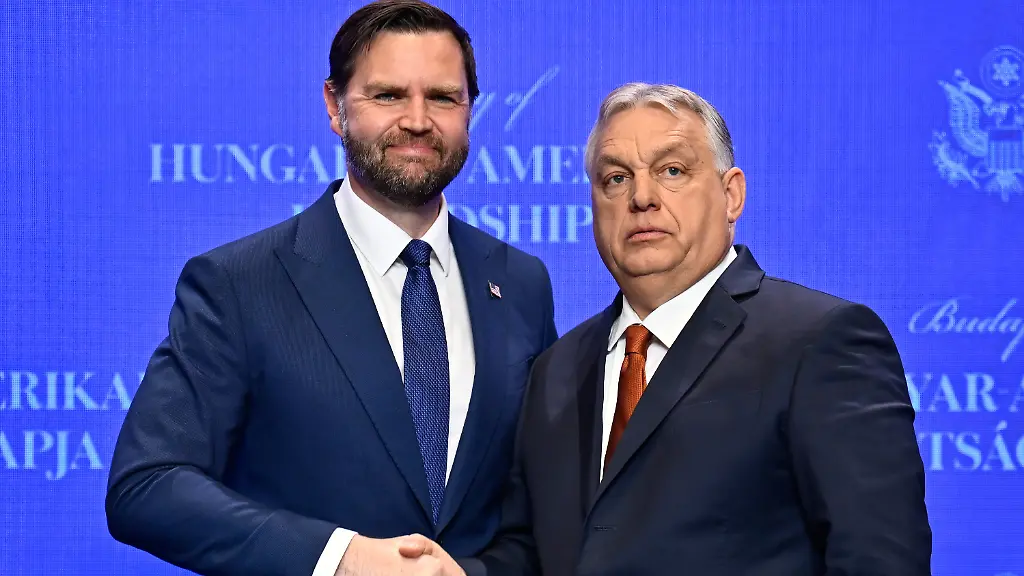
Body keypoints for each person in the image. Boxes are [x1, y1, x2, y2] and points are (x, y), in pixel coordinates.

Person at [105, 1, 557, 575]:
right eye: (388, 95)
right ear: (335, 107)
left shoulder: (521, 283)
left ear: (470, 111)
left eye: (443, 97)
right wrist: (340, 558)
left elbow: (536, 510)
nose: (417, 120)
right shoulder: (239, 283)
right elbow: (148, 485)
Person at [407, 82, 933, 575]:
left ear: (732, 195)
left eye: (673, 171)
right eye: (616, 178)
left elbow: (878, 559)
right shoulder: (558, 368)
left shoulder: (820, 341)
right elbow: (532, 553)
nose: (642, 198)